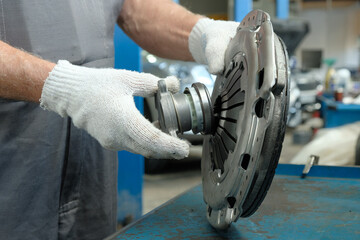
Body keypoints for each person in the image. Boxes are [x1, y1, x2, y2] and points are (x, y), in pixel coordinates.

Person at [0, 0, 239, 239]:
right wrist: (61, 86)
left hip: (92, 175)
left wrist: (200, 33)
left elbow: (133, 7)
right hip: (15, 175)